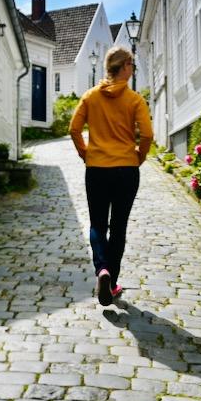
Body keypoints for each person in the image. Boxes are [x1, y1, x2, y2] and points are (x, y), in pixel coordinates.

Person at [70, 46, 153, 306]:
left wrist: (86, 154)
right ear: (125, 66)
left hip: (97, 170)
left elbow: (74, 129)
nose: (133, 69)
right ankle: (112, 282)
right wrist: (138, 157)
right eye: (132, 65)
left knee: (97, 224)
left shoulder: (90, 97)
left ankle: (102, 269)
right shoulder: (135, 100)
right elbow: (147, 135)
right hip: (126, 170)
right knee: (118, 228)